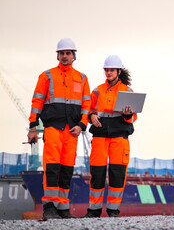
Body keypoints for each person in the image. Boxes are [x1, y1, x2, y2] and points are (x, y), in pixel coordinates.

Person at [27, 38, 91, 219]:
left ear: (74, 56)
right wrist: (32, 127)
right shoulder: (46, 76)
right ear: (58, 55)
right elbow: (37, 102)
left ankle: (63, 208)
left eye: (68, 53)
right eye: (62, 53)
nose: (65, 56)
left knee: (66, 169)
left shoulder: (82, 78)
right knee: (52, 167)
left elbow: (86, 105)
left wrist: (81, 125)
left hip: (72, 130)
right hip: (53, 128)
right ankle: (49, 206)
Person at [83, 55, 137, 218]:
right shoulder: (97, 91)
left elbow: (134, 117)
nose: (108, 73)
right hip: (100, 135)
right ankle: (94, 210)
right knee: (97, 173)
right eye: (106, 70)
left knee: (117, 173)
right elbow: (88, 109)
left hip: (120, 137)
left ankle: (113, 210)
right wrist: (91, 116)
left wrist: (128, 115)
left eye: (112, 70)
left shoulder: (127, 91)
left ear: (118, 71)